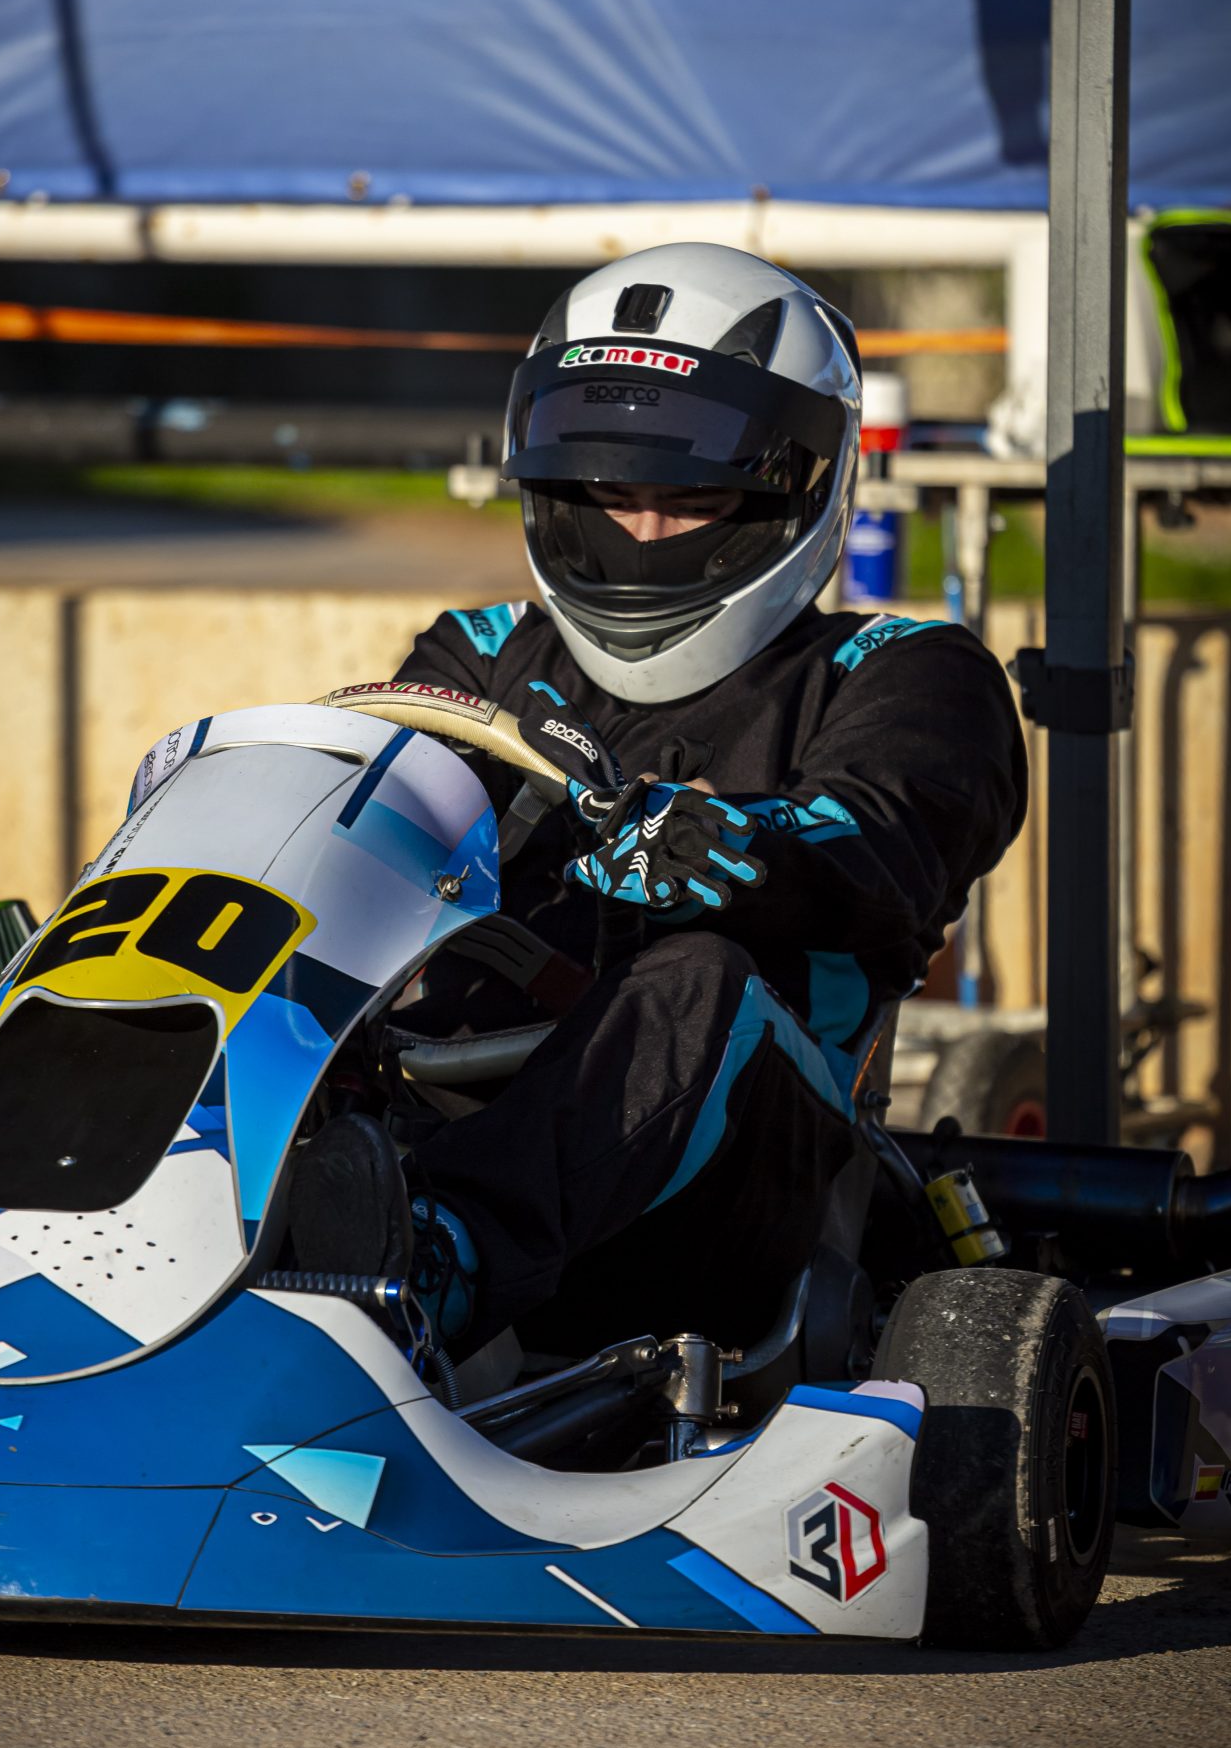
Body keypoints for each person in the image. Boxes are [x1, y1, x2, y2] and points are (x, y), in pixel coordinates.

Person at [289, 242, 1027, 1361]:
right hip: (441, 1094)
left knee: (698, 978)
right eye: (607, 494)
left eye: (689, 500)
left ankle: (436, 1261)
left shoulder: (903, 672)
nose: (638, 532)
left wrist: (730, 843)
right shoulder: (483, 654)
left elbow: (879, 841)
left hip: (731, 1185)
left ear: (791, 487)